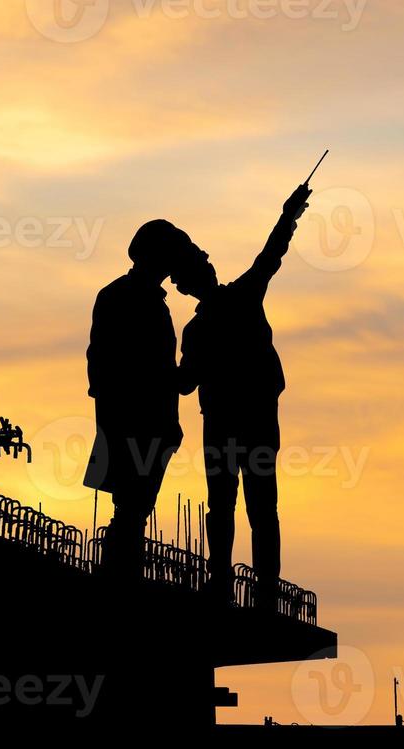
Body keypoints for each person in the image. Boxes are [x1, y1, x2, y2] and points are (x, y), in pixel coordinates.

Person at [172, 184, 311, 608]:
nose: (208, 268)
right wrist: (288, 215)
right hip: (241, 419)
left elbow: (272, 254)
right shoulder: (226, 308)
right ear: (190, 285)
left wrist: (289, 215)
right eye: (200, 266)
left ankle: (239, 585)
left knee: (246, 504)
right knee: (248, 505)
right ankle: (246, 586)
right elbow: (185, 382)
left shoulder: (209, 321)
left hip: (235, 420)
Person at [83, 219, 193, 578]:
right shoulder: (126, 297)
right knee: (132, 504)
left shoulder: (134, 297)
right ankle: (120, 573)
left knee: (134, 505)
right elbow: (113, 365)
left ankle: (121, 569)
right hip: (135, 421)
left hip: (143, 420)